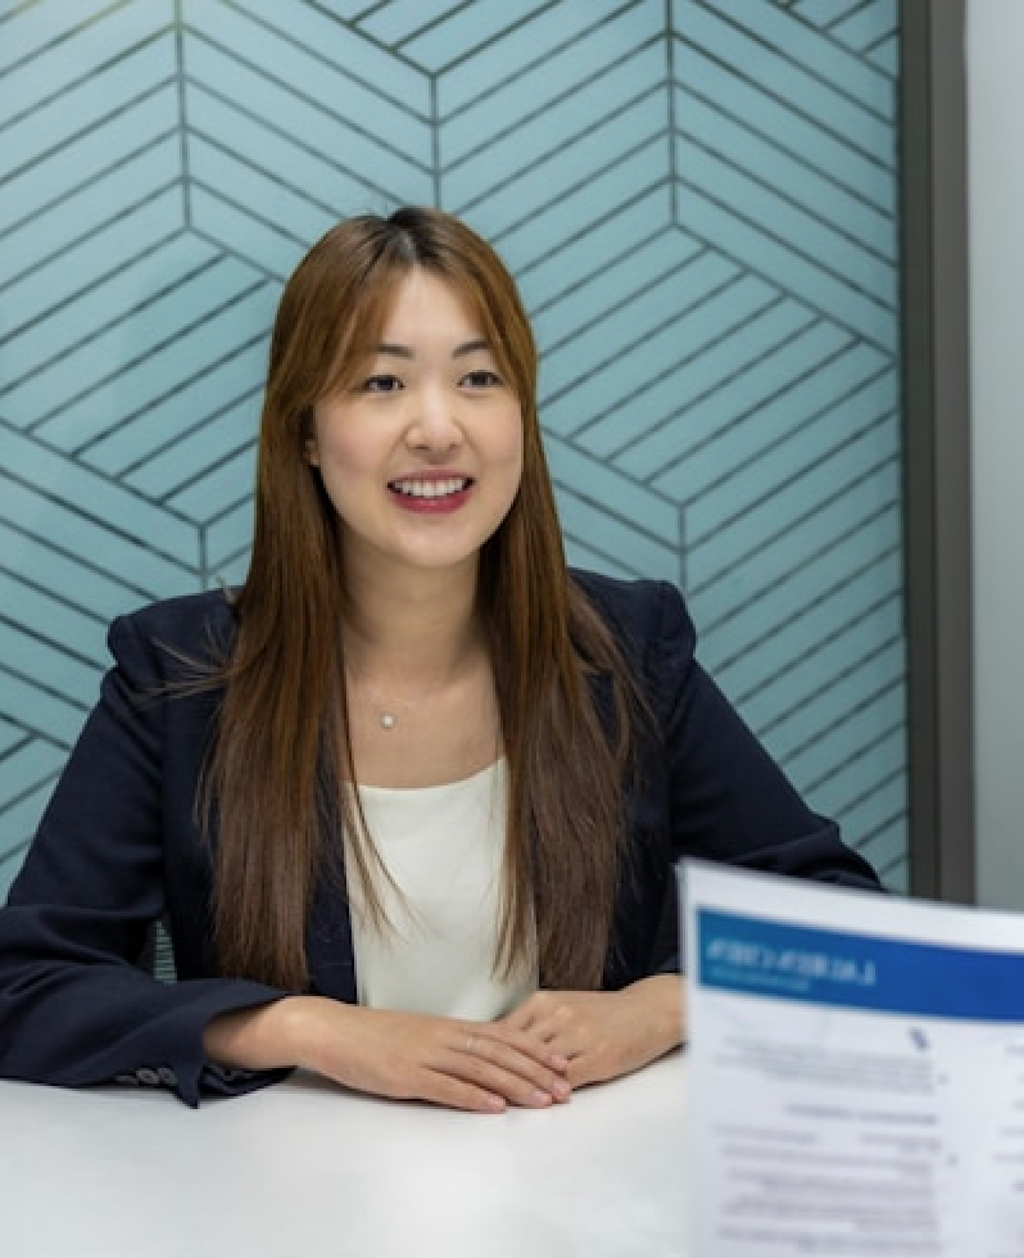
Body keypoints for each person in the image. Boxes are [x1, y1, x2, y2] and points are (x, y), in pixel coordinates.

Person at [0, 207, 881, 1112]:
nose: (437, 427)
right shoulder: (177, 677)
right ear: (305, 432)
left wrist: (657, 1009)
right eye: (381, 382)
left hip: (580, 1178)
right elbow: (24, 988)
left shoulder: (628, 650)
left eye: (479, 378)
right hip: (290, 1185)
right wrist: (311, 1029)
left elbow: (845, 918)